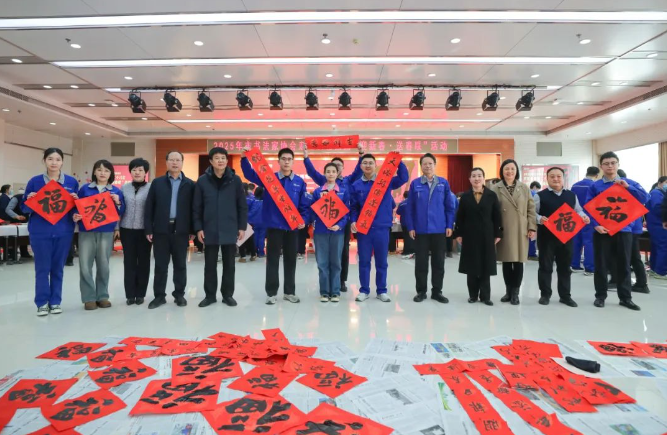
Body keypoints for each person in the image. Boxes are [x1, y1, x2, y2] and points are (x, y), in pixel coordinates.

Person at [241, 146, 310, 305]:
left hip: (292, 228)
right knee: (272, 260)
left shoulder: (299, 182)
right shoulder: (269, 178)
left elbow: (304, 205)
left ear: (293, 162)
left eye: (289, 159)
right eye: (283, 159)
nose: (286, 162)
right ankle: (271, 293)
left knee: (290, 260)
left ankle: (289, 292)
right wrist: (244, 158)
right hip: (273, 227)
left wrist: (304, 220)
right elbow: (250, 174)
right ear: (279, 161)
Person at [586, 152, 649, 311]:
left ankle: (625, 298)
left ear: (618, 164)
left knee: (624, 264)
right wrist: (595, 225)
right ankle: (600, 296)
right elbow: (588, 208)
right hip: (602, 231)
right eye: (606, 163)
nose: (610, 166)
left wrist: (628, 188)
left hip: (624, 230)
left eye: (613, 163)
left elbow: (645, 198)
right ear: (601, 166)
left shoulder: (629, 183)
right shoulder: (595, 186)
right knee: (601, 264)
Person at [22, 148, 79, 316]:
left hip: (63, 231)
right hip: (40, 231)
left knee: (58, 268)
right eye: (50, 159)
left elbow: (75, 208)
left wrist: (76, 207)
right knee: (42, 268)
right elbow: (24, 208)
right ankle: (41, 303)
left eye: (58, 159)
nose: (54, 162)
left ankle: (55, 301)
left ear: (62, 162)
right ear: (44, 161)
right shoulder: (35, 181)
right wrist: (30, 200)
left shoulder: (71, 182)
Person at [304, 143, 364, 292]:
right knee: (325, 255)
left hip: (342, 223)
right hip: (324, 224)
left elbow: (358, 170)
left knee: (343, 252)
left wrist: (361, 154)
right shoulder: (323, 184)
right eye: (331, 167)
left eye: (338, 166)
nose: (334, 170)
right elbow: (312, 172)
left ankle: (341, 281)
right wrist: (306, 158)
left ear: (341, 169)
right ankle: (326, 285)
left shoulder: (347, 181)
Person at [350, 154, 409, 302]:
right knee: (364, 261)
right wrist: (353, 221)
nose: (368, 165)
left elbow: (403, 178)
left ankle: (381, 290)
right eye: (365, 163)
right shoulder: (356, 185)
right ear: (361, 166)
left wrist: (398, 161)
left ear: (375, 165)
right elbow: (354, 207)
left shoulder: (385, 181)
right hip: (364, 229)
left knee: (381, 262)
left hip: (382, 227)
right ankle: (364, 290)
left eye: (370, 163)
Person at [193, 147, 247, 308]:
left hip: (230, 227)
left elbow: (242, 205)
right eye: (217, 158)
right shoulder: (202, 181)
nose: (221, 161)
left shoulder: (235, 180)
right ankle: (210, 296)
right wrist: (198, 228)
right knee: (210, 265)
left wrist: (242, 227)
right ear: (211, 161)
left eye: (223, 158)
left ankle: (227, 295)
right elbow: (196, 207)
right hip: (209, 228)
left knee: (229, 264)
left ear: (227, 160)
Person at [144, 151, 196, 309]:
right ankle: (159, 296)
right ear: (166, 162)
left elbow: (194, 209)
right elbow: (149, 207)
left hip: (181, 230)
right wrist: (148, 229)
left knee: (180, 265)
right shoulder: (157, 183)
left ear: (182, 163)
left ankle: (179, 295)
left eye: (178, 160)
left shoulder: (190, 184)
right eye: (171, 160)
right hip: (161, 229)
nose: (174, 163)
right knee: (160, 265)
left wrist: (193, 229)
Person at [74, 160, 126, 311]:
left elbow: (121, 212)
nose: (103, 173)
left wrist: (118, 203)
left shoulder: (116, 191)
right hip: (86, 231)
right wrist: (75, 215)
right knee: (85, 265)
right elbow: (76, 206)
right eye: (99, 170)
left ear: (111, 174)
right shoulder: (85, 189)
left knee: (103, 265)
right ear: (94, 172)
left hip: (106, 231)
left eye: (106, 170)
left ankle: (102, 296)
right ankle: (89, 298)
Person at [404, 153, 456, 304]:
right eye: (424, 163)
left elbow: (449, 207)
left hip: (439, 229)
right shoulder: (415, 184)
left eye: (430, 163)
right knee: (421, 263)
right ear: (421, 166)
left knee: (439, 262)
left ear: (435, 165)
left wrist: (449, 225)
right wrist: (411, 227)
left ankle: (437, 291)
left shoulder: (443, 183)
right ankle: (421, 291)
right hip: (421, 230)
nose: (427, 166)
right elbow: (410, 208)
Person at [534, 167, 589, 307]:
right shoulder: (540, 196)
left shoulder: (571, 195)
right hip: (546, 238)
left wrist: (583, 216)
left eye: (558, 176)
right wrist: (539, 218)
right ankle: (545, 294)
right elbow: (532, 213)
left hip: (566, 237)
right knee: (545, 266)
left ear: (563, 178)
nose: (555, 179)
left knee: (565, 267)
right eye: (552, 176)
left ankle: (565, 296)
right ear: (547, 178)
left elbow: (578, 210)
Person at [490, 159, 537, 305]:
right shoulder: (495, 188)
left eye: (512, 169)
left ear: (516, 171)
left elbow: (531, 209)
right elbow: (491, 211)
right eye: (506, 169)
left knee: (518, 262)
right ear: (502, 171)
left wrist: (531, 227)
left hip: (520, 228)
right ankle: (508, 291)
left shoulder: (524, 187)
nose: (509, 171)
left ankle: (515, 293)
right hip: (503, 228)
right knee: (506, 261)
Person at [454, 168, 502, 305]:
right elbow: (460, 217)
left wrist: (498, 233)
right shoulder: (465, 196)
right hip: (469, 235)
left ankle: (486, 296)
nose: (477, 178)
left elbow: (497, 216)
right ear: (470, 179)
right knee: (471, 265)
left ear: (483, 178)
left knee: (486, 265)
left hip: (487, 234)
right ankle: (473, 295)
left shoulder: (491, 195)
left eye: (479, 176)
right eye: (474, 176)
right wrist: (459, 233)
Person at [311, 162, 350, 303]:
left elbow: (347, 213)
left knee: (336, 262)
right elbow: (313, 211)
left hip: (337, 232)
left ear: (337, 173)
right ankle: (324, 292)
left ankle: (335, 292)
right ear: (324, 173)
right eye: (328, 171)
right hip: (321, 231)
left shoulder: (343, 191)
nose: (331, 174)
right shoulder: (317, 192)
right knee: (322, 262)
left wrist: (339, 225)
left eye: (333, 171)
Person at [119, 158, 152, 306]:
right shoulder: (124, 188)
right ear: (130, 172)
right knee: (129, 262)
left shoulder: (151, 188)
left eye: (140, 170)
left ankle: (140, 294)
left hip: (145, 231)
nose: (137, 172)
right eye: (134, 170)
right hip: (126, 229)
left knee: (144, 262)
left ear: (145, 172)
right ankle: (130, 294)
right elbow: (119, 209)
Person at [571, 166, 600, 275]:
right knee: (589, 242)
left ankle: (574, 265)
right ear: (597, 175)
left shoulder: (575, 185)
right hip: (590, 217)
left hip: (576, 216)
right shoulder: (595, 186)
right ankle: (589, 268)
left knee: (576, 241)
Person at [647, 176, 667, 279]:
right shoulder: (656, 193)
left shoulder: (660, 193)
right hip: (658, 224)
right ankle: (661, 272)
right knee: (663, 247)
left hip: (656, 224)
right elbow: (658, 208)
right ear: (659, 182)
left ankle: (654, 269)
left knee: (656, 248)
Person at [5, 187, 32, 259]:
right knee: (13, 237)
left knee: (24, 236)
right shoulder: (16, 198)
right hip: (15, 220)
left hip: (25, 221)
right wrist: (17, 216)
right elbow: (8, 209)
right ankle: (12, 253)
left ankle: (24, 252)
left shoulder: (32, 198)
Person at [238, 183, 257, 262]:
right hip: (250, 220)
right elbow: (254, 210)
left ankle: (243, 256)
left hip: (241, 220)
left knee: (240, 237)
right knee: (250, 238)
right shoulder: (252, 197)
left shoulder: (238, 197)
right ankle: (253, 255)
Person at [395, 191, 414, 259]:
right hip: (412, 223)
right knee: (412, 237)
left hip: (403, 222)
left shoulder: (402, 203)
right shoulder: (413, 202)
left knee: (406, 237)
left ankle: (406, 251)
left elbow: (398, 212)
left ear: (404, 196)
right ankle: (411, 251)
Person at [249, 186, 266, 257]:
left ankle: (255, 251)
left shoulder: (253, 201)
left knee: (255, 236)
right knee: (262, 237)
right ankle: (261, 253)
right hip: (263, 221)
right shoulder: (265, 202)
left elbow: (251, 211)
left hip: (254, 221)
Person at [527, 181, 541, 261]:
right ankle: (531, 254)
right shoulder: (534, 194)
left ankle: (529, 253)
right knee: (532, 237)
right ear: (535, 187)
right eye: (538, 188)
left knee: (529, 237)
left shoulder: (526, 192)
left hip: (526, 218)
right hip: (532, 219)